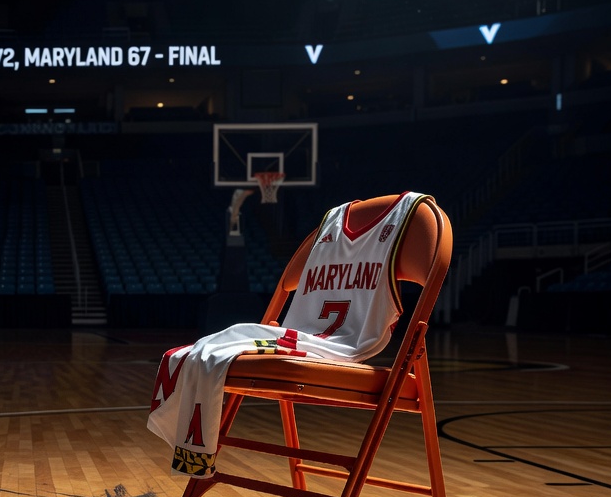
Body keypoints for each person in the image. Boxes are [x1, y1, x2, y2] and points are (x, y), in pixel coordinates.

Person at [147, 192, 440, 477]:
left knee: (212, 354)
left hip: (345, 350)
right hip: (304, 340)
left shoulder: (408, 223)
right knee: (216, 344)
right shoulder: (331, 229)